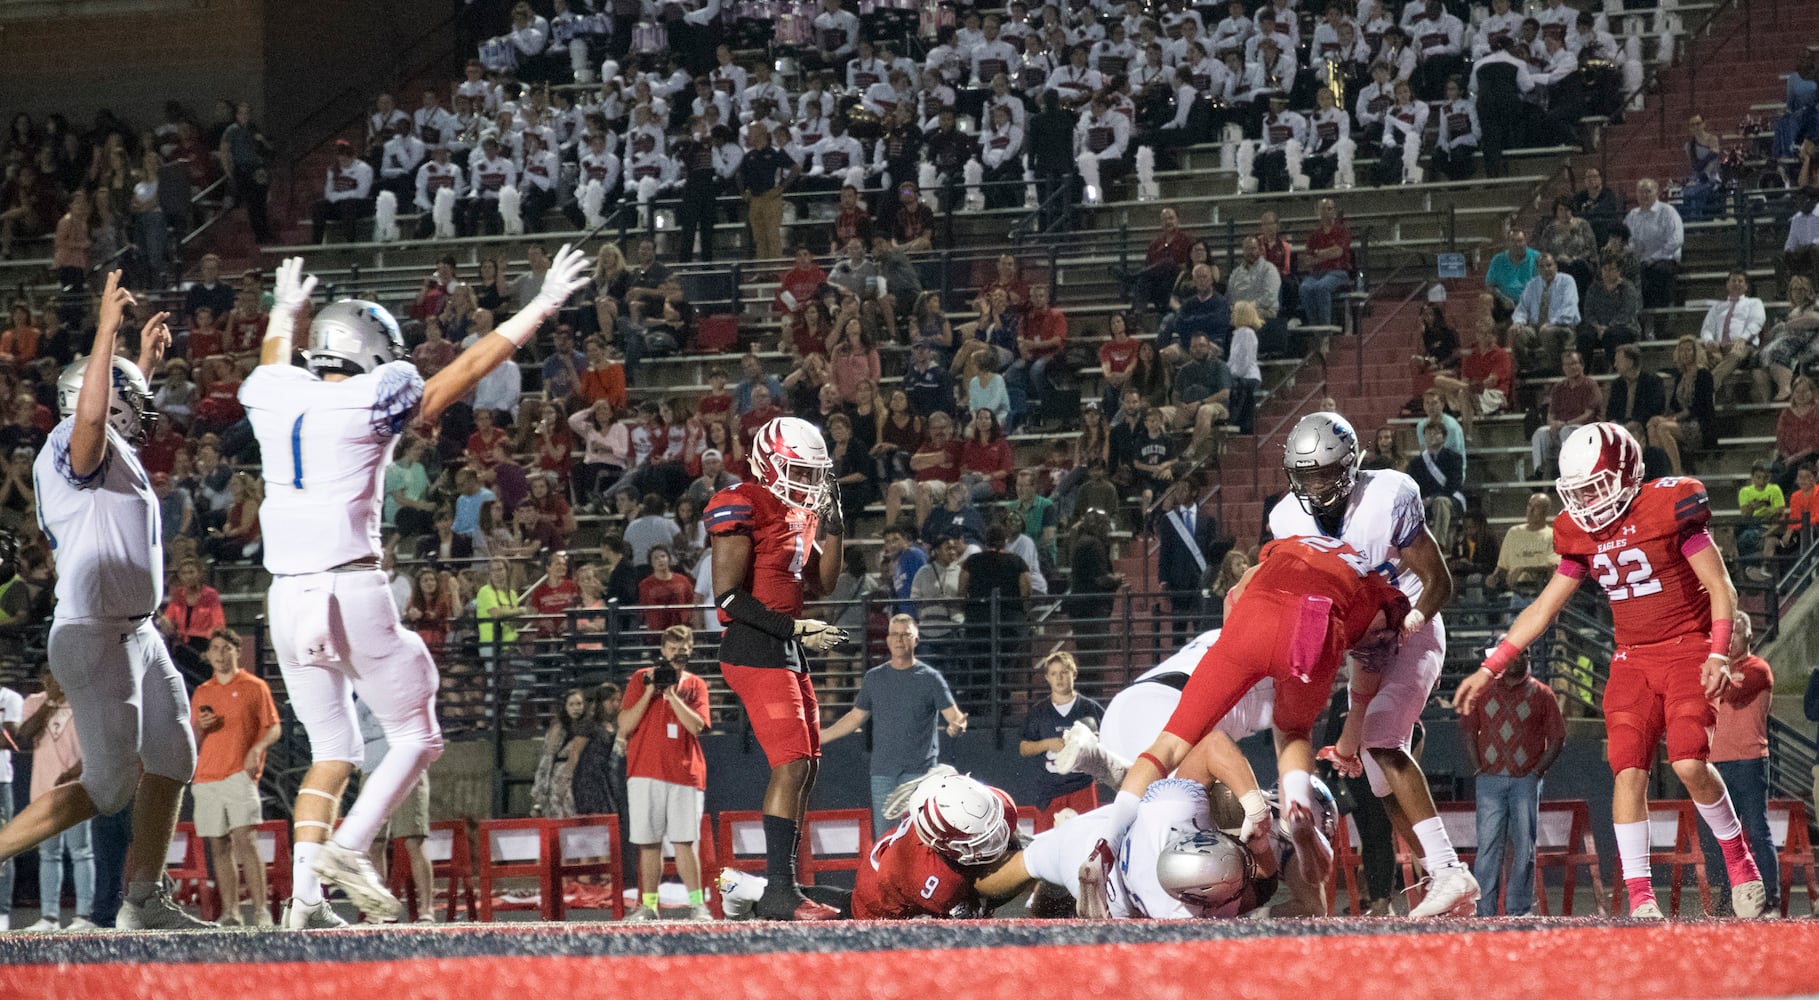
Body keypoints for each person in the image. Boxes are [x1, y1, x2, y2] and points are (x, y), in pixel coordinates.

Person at [238, 246, 588, 928]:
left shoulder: (272, 390)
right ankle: (346, 847)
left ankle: (302, 905)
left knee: (331, 752)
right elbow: (465, 369)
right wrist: (541, 304)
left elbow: (274, 354)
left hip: (283, 599)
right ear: (371, 351)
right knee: (418, 732)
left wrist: (284, 309)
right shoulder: (374, 394)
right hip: (349, 587)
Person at [1453, 423, 1768, 918]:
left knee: (1688, 762)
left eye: (1596, 487)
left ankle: (1739, 859)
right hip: (1632, 658)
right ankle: (1641, 897)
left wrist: (1718, 652)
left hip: (1687, 646)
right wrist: (1492, 665)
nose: (1587, 502)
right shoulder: (1578, 531)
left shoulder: (1670, 506)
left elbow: (1721, 586)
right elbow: (1543, 608)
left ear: (1627, 472)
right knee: (1627, 769)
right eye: (1578, 492)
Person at [0, 273, 209, 930]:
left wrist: (136, 360)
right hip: (94, 631)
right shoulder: (68, 439)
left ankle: (143, 902)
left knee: (174, 753)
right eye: (132, 394)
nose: (143, 406)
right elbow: (93, 417)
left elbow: (111, 418)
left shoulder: (111, 445)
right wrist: (106, 330)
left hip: (133, 631)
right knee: (111, 785)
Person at [1099, 534, 1410, 911]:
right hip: (1313, 626)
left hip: (1240, 627)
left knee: (1168, 747)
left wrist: (1244, 647)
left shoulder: (1288, 547)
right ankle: (1297, 808)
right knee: (1293, 734)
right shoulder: (1382, 595)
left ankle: (1106, 844)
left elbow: (1237, 593)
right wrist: (1348, 740)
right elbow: (1367, 671)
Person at [1267, 411, 1479, 917]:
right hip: (1361, 642)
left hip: (1410, 625)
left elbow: (1439, 582)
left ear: (1350, 464)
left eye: (1325, 472)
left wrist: (1414, 618)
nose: (1316, 486)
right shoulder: (1286, 518)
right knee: (1377, 773)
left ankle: (1452, 872)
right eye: (1307, 473)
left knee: (1383, 739)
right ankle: (1441, 874)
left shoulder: (1387, 495)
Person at [706, 415, 847, 920]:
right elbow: (726, 596)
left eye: (815, 474)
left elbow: (824, 583)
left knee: (807, 765)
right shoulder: (743, 500)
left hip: (786, 645)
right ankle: (782, 893)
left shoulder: (800, 512)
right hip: (754, 644)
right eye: (799, 471)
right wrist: (796, 629)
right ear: (769, 463)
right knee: (790, 764)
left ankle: (785, 883)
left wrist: (833, 522)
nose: (808, 483)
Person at [719, 771, 1022, 920]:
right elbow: (977, 915)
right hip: (880, 891)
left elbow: (1005, 839)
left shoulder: (994, 804)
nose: (996, 841)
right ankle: (753, 894)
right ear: (943, 845)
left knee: (844, 903)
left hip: (897, 856)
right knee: (841, 919)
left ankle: (750, 887)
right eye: (983, 840)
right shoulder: (934, 882)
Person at [820, 614, 968, 833]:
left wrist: (956, 728)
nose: (899, 639)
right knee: (885, 841)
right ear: (888, 640)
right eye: (894, 634)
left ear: (916, 640)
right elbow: (856, 717)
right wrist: (821, 736)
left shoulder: (931, 678)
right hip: (883, 773)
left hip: (920, 773)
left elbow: (955, 719)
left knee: (922, 837)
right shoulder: (874, 678)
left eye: (906, 634)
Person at [1459, 638, 1563, 916]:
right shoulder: (1483, 691)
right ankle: (1485, 912)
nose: (1521, 658)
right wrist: (1478, 768)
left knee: (1524, 850)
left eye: (1525, 653)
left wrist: (1537, 772)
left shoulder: (1542, 694)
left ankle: (1518, 909)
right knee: (1488, 849)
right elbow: (1469, 729)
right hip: (1490, 780)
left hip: (1524, 781)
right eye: (1516, 653)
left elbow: (1557, 737)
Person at [188, 627, 282, 927]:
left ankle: (261, 909)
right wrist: (202, 726)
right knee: (218, 845)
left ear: (236, 652)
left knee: (247, 840)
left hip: (239, 774)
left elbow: (273, 726)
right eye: (215, 648)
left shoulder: (254, 686)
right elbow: (193, 736)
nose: (220, 654)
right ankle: (231, 911)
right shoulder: (203, 691)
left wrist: (257, 748)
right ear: (208, 654)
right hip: (206, 776)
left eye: (226, 648)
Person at [618, 625, 712, 921]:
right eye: (672, 648)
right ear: (663, 650)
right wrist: (650, 690)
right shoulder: (640, 678)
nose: (677, 653)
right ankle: (648, 906)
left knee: (685, 841)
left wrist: (672, 695)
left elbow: (696, 727)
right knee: (649, 842)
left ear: (691, 649)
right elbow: (624, 726)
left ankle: (697, 905)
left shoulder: (695, 685)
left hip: (685, 773)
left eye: (683, 647)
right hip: (645, 770)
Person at [1695, 612, 1778, 916]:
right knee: (1720, 837)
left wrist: (1713, 670)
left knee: (1757, 830)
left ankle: (1769, 897)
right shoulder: (1721, 668)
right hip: (1715, 763)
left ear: (1749, 638)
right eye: (1726, 635)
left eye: (1736, 634)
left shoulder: (1757, 668)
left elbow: (1731, 691)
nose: (1730, 641)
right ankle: (1733, 898)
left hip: (1749, 760)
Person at [18, 666, 94, 931]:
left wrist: (76, 771)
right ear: (43, 678)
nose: (54, 678)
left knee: (81, 852)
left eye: (60, 673)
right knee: (48, 854)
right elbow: (24, 735)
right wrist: (49, 703)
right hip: (43, 792)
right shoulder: (34, 702)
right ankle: (49, 917)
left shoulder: (83, 702)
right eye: (49, 674)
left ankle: (83, 916)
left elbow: (94, 747)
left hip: (75, 790)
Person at [1018, 651, 1104, 825]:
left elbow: (1108, 742)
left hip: (1083, 786)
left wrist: (1094, 743)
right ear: (1047, 678)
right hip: (1050, 791)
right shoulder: (1039, 712)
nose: (1059, 678)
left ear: (1074, 674)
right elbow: (1024, 748)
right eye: (1054, 674)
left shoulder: (1090, 708)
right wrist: (1046, 744)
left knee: (1085, 843)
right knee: (1047, 844)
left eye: (1064, 672)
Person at [1530, 351, 1602, 480]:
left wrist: (1565, 424)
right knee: (1540, 433)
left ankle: (1566, 470)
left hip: (1584, 429)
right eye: (1567, 365)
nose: (1570, 367)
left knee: (1566, 431)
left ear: (1582, 365)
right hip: (1561, 427)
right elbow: (1550, 414)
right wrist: (1553, 424)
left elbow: (1588, 414)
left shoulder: (1590, 385)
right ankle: (1538, 472)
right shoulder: (1559, 387)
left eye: (1574, 363)